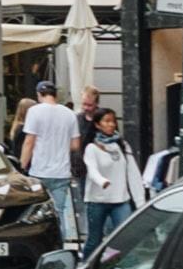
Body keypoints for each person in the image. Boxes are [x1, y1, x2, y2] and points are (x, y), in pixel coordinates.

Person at [18, 79, 82, 240]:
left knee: (36, 215)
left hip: (39, 171)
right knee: (59, 213)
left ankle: (42, 246)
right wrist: (59, 146)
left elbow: (29, 142)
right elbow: (75, 145)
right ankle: (59, 245)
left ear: (39, 94)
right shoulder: (69, 114)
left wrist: (21, 166)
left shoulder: (34, 111)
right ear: (55, 95)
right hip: (61, 172)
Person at [80, 111, 146, 253]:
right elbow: (92, 170)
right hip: (97, 201)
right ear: (97, 125)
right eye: (106, 121)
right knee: (95, 240)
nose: (111, 124)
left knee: (125, 239)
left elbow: (133, 173)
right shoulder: (91, 148)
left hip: (121, 200)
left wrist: (140, 201)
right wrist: (102, 181)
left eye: (113, 121)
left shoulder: (122, 145)